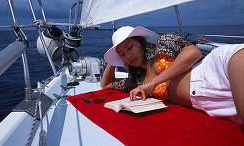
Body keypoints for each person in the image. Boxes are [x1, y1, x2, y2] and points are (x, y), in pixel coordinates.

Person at [101, 26, 244, 126]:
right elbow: (105, 84)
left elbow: (194, 53)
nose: (128, 55)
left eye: (130, 47)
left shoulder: (163, 43)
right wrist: (115, 58)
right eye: (123, 54)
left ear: (140, 41)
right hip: (214, 105)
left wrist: (154, 83)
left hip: (219, 70)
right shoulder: (138, 80)